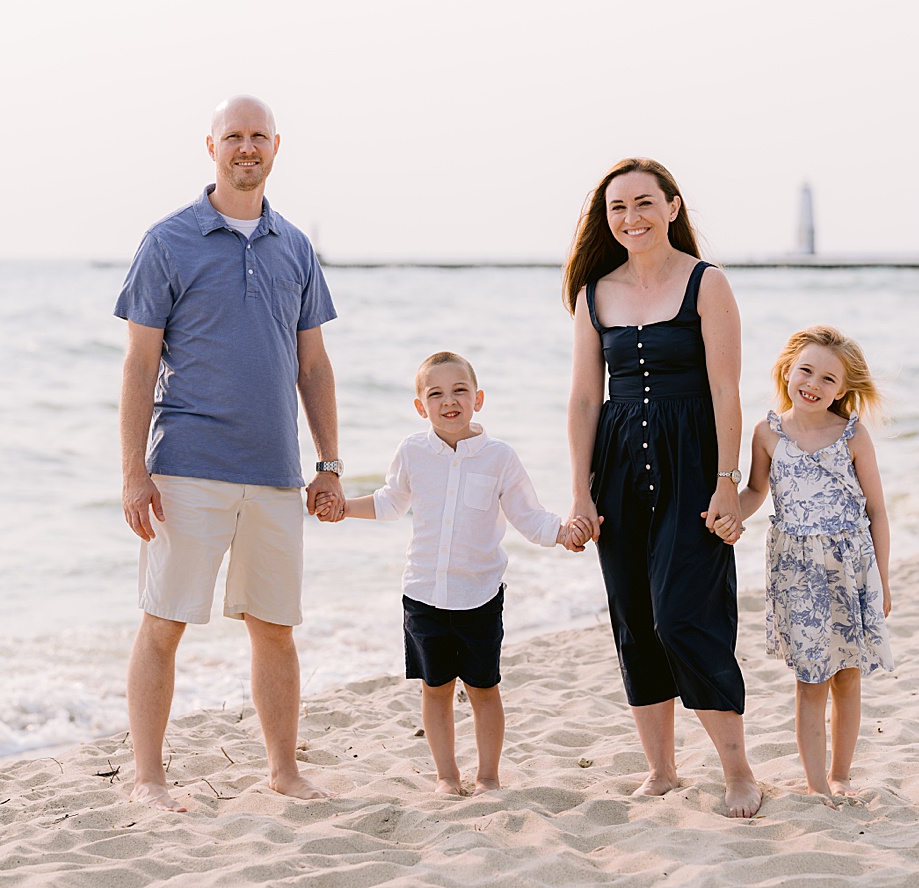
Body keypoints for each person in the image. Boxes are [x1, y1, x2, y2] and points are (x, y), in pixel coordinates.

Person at [115, 95, 345, 811]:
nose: (246, 147)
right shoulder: (168, 241)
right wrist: (133, 471)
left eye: (257, 137)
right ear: (209, 146)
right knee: (164, 623)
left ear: (276, 146)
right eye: (232, 136)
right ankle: (149, 778)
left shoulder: (296, 247)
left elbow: (314, 366)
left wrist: (329, 463)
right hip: (186, 468)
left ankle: (283, 770)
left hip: (275, 473)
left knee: (276, 630)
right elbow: (138, 364)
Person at [563, 158, 762, 818]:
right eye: (618, 208)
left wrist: (728, 482)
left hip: (692, 463)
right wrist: (580, 494)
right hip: (616, 469)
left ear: (673, 207)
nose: (632, 218)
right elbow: (585, 401)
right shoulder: (595, 293)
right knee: (633, 621)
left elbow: (726, 390)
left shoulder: (706, 283)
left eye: (644, 203)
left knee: (686, 615)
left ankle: (738, 772)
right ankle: (663, 770)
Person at [315, 351, 593, 795]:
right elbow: (390, 502)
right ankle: (447, 777)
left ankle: (487, 777)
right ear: (420, 406)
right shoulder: (412, 451)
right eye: (436, 393)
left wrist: (563, 533)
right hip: (423, 594)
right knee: (435, 688)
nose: (449, 401)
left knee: (484, 690)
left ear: (478, 398)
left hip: (480, 595)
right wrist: (344, 509)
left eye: (460, 391)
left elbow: (528, 515)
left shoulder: (499, 457)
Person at [720, 325, 894, 805]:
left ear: (844, 390)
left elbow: (876, 511)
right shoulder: (767, 434)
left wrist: (882, 579)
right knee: (811, 680)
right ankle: (816, 784)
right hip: (797, 573)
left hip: (850, 567)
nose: (814, 384)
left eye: (829, 379)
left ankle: (841, 775)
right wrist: (726, 508)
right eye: (807, 371)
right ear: (787, 370)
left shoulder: (853, 436)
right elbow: (757, 492)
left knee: (848, 676)